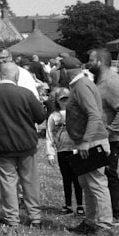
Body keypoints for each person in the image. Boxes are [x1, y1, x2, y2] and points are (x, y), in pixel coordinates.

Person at [0, 62, 49, 228]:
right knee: (30, 181)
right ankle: (35, 217)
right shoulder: (26, 93)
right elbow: (40, 116)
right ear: (17, 75)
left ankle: (12, 218)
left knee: (8, 181)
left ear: (0, 74)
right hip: (26, 143)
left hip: (3, 144)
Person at [62, 56, 115, 236]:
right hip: (88, 140)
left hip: (92, 141)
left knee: (97, 184)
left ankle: (105, 225)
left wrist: (86, 141)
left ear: (66, 71)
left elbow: (93, 114)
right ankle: (91, 221)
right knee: (87, 183)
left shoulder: (81, 86)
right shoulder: (82, 84)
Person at [88, 48, 119, 225]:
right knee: (98, 175)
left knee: (108, 174)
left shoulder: (112, 81)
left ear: (100, 62)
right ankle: (99, 213)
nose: (88, 63)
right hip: (99, 137)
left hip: (110, 140)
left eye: (91, 60)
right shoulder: (100, 80)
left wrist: (112, 130)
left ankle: (113, 214)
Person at [44, 88, 84, 216]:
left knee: (78, 179)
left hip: (75, 150)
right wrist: (50, 153)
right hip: (62, 150)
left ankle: (80, 205)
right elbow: (49, 135)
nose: (65, 102)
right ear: (57, 101)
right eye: (62, 100)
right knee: (66, 179)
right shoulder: (53, 116)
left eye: (67, 99)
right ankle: (68, 205)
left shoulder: (76, 113)